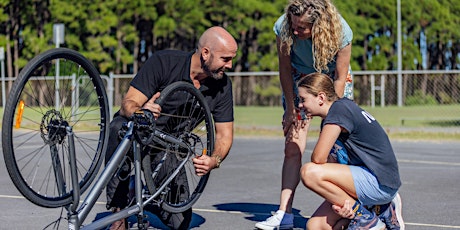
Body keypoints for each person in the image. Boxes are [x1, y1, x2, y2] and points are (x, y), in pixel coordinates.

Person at [105, 26, 237, 230]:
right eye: (225, 59)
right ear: (205, 53)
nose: (230, 65)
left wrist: (214, 159)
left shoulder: (223, 86)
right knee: (118, 127)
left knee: (180, 222)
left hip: (168, 148)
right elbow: (128, 104)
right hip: (140, 133)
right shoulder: (164, 62)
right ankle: (119, 210)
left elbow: (224, 135)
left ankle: (142, 192)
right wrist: (142, 111)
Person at [255, 0, 353, 229]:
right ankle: (284, 214)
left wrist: (332, 117)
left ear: (318, 26)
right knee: (292, 146)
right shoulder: (284, 27)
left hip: (331, 79)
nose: (296, 31)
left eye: (302, 28)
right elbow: (284, 68)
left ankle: (339, 210)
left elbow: (340, 77)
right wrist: (290, 107)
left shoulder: (341, 31)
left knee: (333, 150)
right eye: (294, 25)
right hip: (300, 77)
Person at [296, 72, 404, 229]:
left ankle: (366, 217)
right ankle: (380, 210)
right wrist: (341, 202)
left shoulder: (339, 110)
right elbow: (333, 165)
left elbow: (318, 159)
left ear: (320, 97)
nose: (300, 105)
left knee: (309, 172)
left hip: (380, 182)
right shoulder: (333, 115)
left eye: (303, 99)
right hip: (363, 179)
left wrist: (349, 204)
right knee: (315, 226)